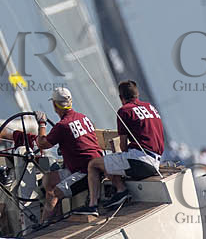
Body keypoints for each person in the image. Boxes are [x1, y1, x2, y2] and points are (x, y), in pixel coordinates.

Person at [80, 81, 164, 213]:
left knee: (94, 164)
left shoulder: (124, 111)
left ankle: (93, 205)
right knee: (110, 162)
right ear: (137, 94)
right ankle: (120, 192)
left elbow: (123, 145)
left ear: (121, 97)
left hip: (140, 162)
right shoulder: (150, 107)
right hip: (155, 162)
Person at [31, 87, 102, 224]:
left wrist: (41, 123)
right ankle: (56, 217)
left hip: (85, 172)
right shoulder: (83, 117)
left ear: (54, 105)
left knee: (54, 193)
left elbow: (42, 144)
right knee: (48, 180)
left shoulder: (62, 126)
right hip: (92, 165)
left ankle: (44, 224)